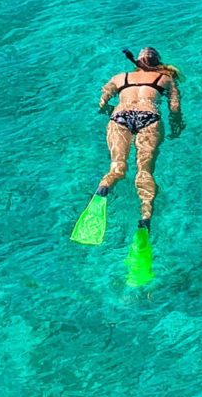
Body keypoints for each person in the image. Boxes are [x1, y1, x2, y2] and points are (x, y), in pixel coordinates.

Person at [68, 48, 182, 275]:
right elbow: (175, 108)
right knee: (145, 172)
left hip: (120, 116)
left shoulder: (121, 78)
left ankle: (103, 189)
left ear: (137, 62)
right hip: (149, 117)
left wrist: (109, 110)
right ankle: (145, 217)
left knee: (117, 167)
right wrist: (178, 125)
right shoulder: (165, 78)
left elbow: (102, 104)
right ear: (157, 63)